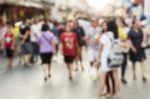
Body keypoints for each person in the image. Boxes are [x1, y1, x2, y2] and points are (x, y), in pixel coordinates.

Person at [96, 20, 120, 99]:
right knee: (116, 77)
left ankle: (98, 97)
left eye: (105, 26)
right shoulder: (116, 35)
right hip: (114, 58)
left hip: (106, 59)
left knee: (102, 78)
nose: (103, 27)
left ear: (109, 26)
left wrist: (97, 59)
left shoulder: (105, 35)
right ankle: (116, 95)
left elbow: (100, 48)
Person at [116, 17, 130, 84]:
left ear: (123, 22)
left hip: (124, 48)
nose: (118, 23)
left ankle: (122, 76)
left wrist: (124, 40)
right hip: (117, 48)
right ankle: (116, 76)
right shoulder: (115, 29)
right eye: (117, 22)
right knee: (116, 61)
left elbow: (128, 38)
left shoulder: (127, 29)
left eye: (119, 22)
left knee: (124, 62)